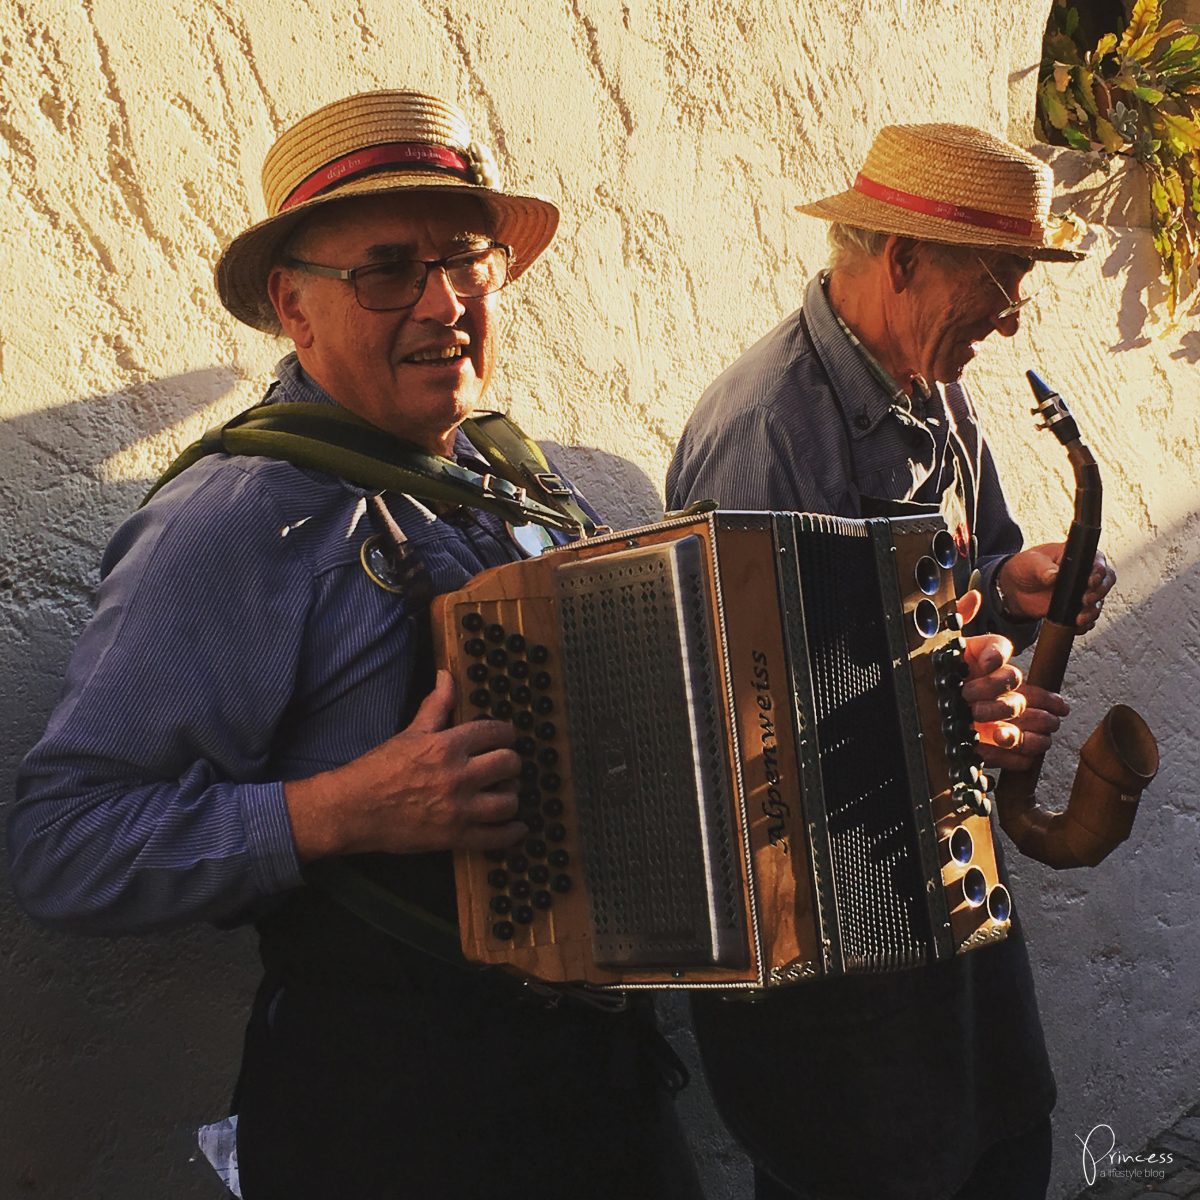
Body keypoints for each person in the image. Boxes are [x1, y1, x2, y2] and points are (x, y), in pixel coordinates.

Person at [8, 89, 706, 1200]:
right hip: (395, 1114)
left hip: (599, 1091)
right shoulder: (235, 520)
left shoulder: (514, 473)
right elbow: (62, 845)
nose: (445, 301)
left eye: (467, 260)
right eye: (388, 269)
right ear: (295, 308)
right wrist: (339, 810)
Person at [667, 124, 1117, 1200]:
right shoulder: (766, 432)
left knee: (1006, 1141)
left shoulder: (936, 389)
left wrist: (1016, 586)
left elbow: (974, 569)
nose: (1014, 313)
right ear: (906, 261)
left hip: (940, 879)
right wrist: (934, 701)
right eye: (1001, 276)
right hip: (829, 936)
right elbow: (744, 727)